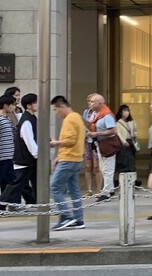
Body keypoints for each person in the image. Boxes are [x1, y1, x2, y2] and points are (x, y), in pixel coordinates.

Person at [49, 94, 86, 230]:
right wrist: (59, 156)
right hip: (75, 158)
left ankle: (66, 217)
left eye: (55, 109)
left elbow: (70, 140)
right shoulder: (77, 117)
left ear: (62, 107)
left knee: (54, 187)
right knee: (74, 190)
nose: (56, 113)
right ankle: (78, 219)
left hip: (69, 159)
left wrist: (55, 143)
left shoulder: (70, 119)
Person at [0, 93, 38, 206]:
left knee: (34, 183)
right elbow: (29, 141)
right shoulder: (26, 121)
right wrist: (37, 155)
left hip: (29, 160)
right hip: (25, 159)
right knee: (17, 184)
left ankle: (36, 203)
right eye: (36, 102)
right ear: (29, 105)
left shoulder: (32, 118)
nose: (38, 104)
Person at [86, 93, 120, 199]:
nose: (90, 103)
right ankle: (109, 189)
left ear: (100, 103)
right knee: (103, 168)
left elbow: (113, 130)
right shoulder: (95, 114)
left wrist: (97, 133)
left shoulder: (106, 115)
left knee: (108, 168)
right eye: (89, 101)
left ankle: (106, 192)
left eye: (92, 102)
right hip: (100, 143)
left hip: (108, 143)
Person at [114, 103, 138, 184]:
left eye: (128, 111)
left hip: (131, 142)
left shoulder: (132, 121)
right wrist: (123, 141)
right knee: (122, 161)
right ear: (121, 112)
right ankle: (117, 180)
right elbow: (118, 133)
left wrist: (135, 134)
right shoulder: (118, 122)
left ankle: (134, 179)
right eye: (125, 110)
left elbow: (135, 130)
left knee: (132, 161)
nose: (126, 112)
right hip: (123, 143)